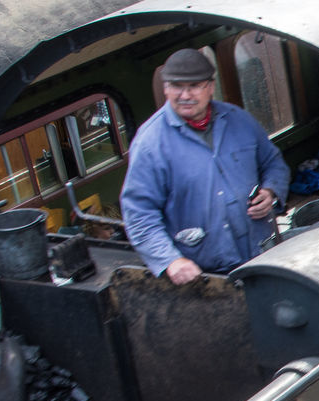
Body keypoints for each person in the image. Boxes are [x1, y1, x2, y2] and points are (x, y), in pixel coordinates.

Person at [120, 48, 292, 285]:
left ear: (210, 87)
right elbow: (139, 214)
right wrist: (170, 260)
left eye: (194, 86)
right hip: (206, 276)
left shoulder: (239, 120)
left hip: (264, 254)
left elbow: (273, 163)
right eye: (176, 86)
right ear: (165, 89)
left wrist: (271, 191)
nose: (185, 94)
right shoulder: (150, 143)